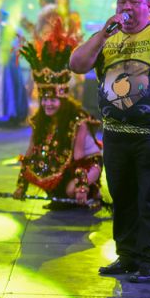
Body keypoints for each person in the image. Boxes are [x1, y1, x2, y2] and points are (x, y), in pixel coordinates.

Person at [69, 0, 150, 283]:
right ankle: (127, 256)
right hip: (117, 133)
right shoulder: (107, 38)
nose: (126, 8)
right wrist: (101, 35)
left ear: (147, 6)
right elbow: (77, 64)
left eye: (133, 3)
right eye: (121, 3)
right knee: (122, 196)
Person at [13, 18, 102, 207]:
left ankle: (92, 192)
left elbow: (78, 159)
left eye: (52, 99)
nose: (47, 103)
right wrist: (22, 185)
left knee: (72, 189)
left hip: (85, 165)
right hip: (65, 165)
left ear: (62, 98)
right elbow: (30, 152)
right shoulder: (40, 120)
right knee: (43, 168)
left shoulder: (79, 120)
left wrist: (81, 186)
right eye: (44, 99)